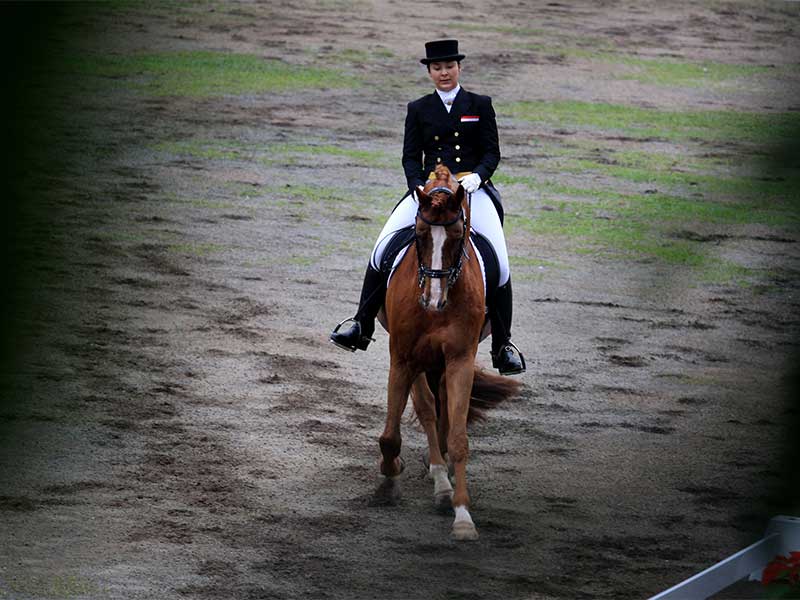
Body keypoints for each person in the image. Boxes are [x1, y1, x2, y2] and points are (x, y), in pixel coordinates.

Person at [330, 39, 525, 375]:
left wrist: (477, 177)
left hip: (471, 190)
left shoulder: (479, 104)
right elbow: (410, 156)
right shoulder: (418, 108)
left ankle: (502, 345)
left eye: (449, 67)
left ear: (458, 68)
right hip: (429, 191)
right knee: (381, 249)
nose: (443, 73)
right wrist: (417, 185)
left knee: (501, 264)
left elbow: (492, 152)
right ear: (430, 72)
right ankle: (361, 323)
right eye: (437, 68)